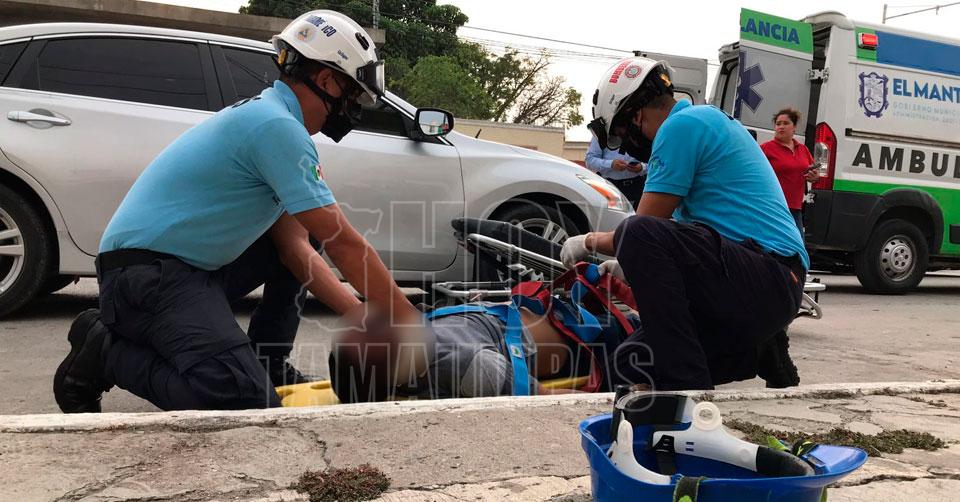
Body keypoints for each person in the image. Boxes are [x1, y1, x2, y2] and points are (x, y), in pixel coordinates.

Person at [53, 10, 427, 412]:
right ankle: (104, 349)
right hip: (144, 279)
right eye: (351, 97)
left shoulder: (271, 120)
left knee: (307, 231)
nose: (351, 110)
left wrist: (358, 313)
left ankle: (269, 363)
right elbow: (346, 246)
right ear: (326, 81)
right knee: (241, 397)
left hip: (178, 271)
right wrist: (410, 324)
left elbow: (294, 250)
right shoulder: (276, 128)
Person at [561, 57, 807, 391]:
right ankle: (760, 351)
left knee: (637, 233)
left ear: (636, 115)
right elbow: (685, 248)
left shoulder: (682, 125)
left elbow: (644, 227)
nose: (630, 144)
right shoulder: (701, 123)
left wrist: (587, 241)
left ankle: (688, 392)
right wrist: (627, 266)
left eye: (623, 133)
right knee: (628, 364)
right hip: (754, 285)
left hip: (772, 275)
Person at [760, 108, 819, 235]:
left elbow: (812, 171)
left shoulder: (802, 149)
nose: (781, 127)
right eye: (778, 124)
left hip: (795, 207)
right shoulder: (765, 149)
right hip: (773, 206)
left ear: (794, 127)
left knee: (798, 248)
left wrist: (814, 177)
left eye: (785, 123)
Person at [584, 136, 646, 208]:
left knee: (639, 218)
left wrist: (643, 167)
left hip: (638, 187)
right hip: (609, 188)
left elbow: (656, 161)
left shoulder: (643, 130)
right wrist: (611, 164)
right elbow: (590, 161)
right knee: (612, 217)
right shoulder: (601, 132)